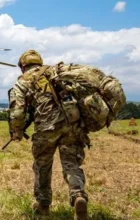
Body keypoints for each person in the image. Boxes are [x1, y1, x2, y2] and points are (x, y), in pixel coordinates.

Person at [8, 50, 89, 219]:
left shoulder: (23, 81)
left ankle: (43, 205)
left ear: (23, 66)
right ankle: (78, 195)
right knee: (71, 164)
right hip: (72, 124)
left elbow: (17, 112)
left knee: (43, 166)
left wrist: (17, 130)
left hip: (46, 128)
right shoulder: (56, 73)